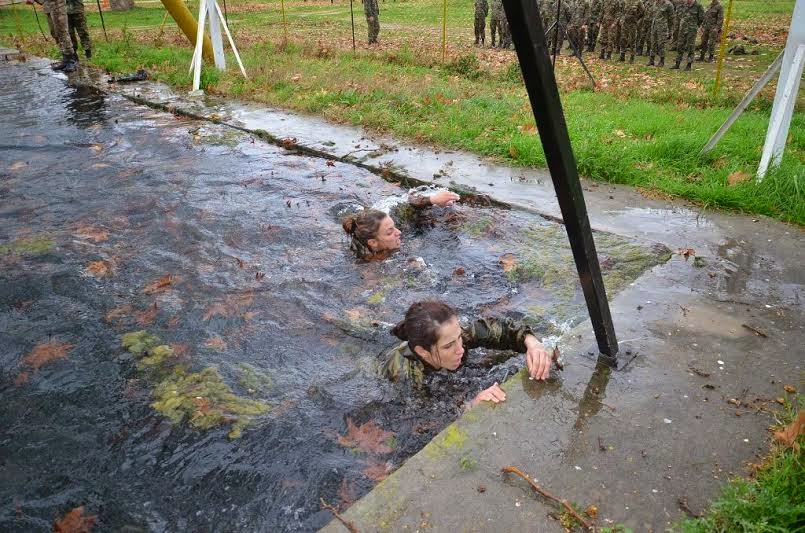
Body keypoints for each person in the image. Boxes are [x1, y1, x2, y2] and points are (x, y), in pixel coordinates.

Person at [379, 301, 553, 406]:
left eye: (459, 338)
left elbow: (501, 330)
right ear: (422, 352)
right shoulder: (404, 375)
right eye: (448, 347)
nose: (460, 349)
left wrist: (533, 343)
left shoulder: (452, 334)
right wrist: (470, 406)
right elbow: (425, 422)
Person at [341, 188, 460, 260]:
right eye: (390, 232)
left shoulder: (395, 219)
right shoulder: (362, 262)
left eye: (394, 228)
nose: (399, 232)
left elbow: (408, 201)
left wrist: (433, 199)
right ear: (373, 243)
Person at [31, 0, 78, 72]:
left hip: (58, 6)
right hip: (49, 7)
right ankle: (65, 58)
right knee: (55, 33)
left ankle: (70, 60)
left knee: (62, 32)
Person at [672, 0, 704, 70]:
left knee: (690, 47)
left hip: (691, 30)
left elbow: (701, 18)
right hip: (682, 29)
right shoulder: (684, 5)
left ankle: (689, 65)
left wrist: (694, 26)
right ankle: (677, 64)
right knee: (680, 46)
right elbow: (680, 15)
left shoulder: (698, 6)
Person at [647, 0, 674, 67]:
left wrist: (670, 30)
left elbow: (671, 18)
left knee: (661, 44)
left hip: (663, 28)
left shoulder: (668, 4)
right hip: (654, 26)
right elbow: (654, 15)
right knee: (653, 43)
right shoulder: (655, 3)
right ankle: (651, 60)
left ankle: (662, 61)